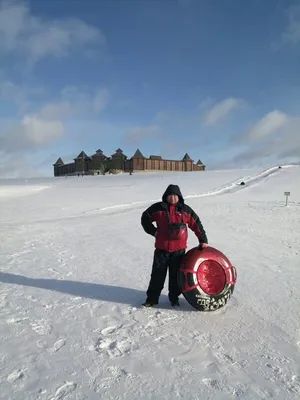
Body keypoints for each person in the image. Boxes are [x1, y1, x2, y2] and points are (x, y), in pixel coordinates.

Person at [141, 184, 208, 307]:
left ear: (179, 197)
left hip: (178, 251)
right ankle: (151, 299)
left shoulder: (185, 210)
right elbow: (145, 218)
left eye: (175, 196)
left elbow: (196, 224)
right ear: (166, 196)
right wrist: (154, 231)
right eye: (170, 195)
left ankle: (174, 298)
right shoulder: (158, 208)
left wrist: (203, 239)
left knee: (176, 277)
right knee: (157, 275)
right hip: (162, 250)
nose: (173, 198)